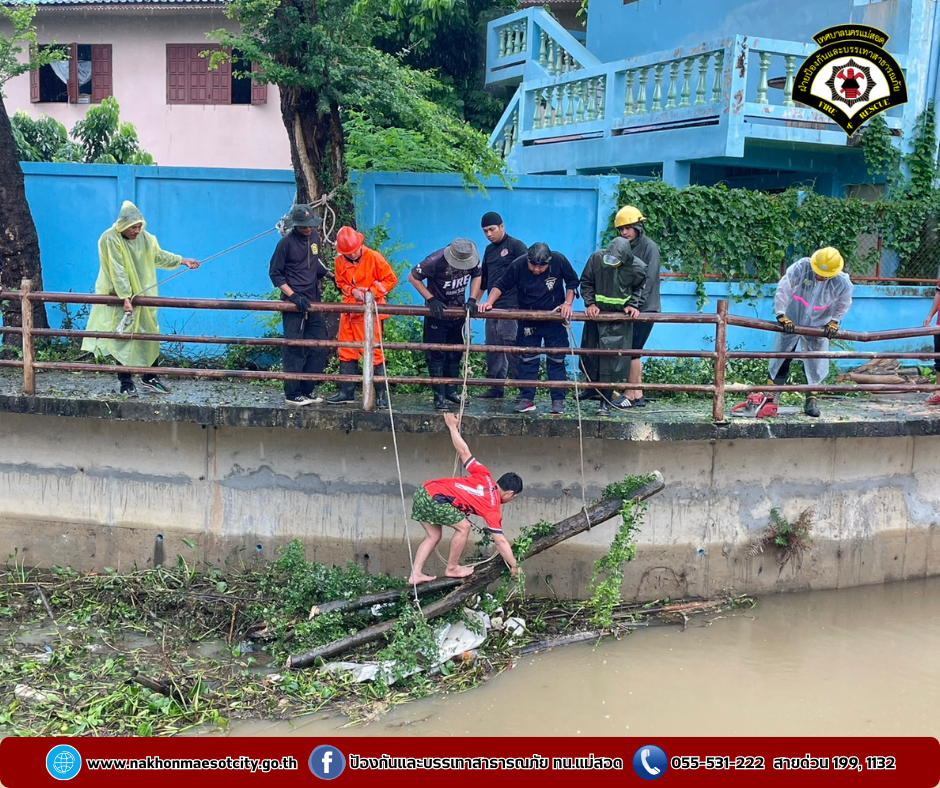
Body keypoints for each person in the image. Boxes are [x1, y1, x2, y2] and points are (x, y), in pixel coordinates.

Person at [82, 201, 200, 397]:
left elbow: (158, 256)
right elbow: (117, 269)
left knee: (149, 334)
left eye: (139, 226)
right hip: (118, 296)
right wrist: (125, 297)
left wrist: (182, 260)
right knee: (123, 338)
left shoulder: (145, 238)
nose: (137, 231)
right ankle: (126, 383)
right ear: (123, 225)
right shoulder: (109, 239)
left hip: (143, 294)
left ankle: (150, 377)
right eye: (133, 227)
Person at [408, 412, 523, 583]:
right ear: (510, 493)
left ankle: (415, 574)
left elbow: (463, 451)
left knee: (433, 536)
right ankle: (452, 568)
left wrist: (452, 427)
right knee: (464, 527)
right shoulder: (492, 509)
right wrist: (514, 565)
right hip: (434, 498)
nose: (511, 500)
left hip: (423, 490)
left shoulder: (484, 474)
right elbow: (500, 542)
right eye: (513, 498)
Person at [479, 242, 580, 415]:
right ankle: (527, 399)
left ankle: (558, 401)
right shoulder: (518, 264)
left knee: (556, 359)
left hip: (554, 319)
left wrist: (567, 303)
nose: (536, 270)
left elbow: (572, 281)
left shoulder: (559, 260)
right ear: (527, 260)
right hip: (528, 320)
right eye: (533, 265)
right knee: (527, 359)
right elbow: (501, 285)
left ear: (549, 262)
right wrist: (489, 302)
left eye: (541, 266)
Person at [768, 247, 853, 418]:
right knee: (782, 356)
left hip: (819, 324)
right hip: (792, 318)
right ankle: (770, 397)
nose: (820, 277)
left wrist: (834, 321)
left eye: (825, 275)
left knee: (814, 361)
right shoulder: (802, 267)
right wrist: (781, 314)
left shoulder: (842, 283)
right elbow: (784, 287)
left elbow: (843, 303)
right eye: (818, 273)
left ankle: (811, 400)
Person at [326, 226, 398, 407]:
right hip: (349, 310)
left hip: (370, 311)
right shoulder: (339, 261)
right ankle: (346, 392)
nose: (351, 255)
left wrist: (369, 293)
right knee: (346, 350)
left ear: (360, 244)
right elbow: (340, 282)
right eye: (347, 253)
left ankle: (381, 395)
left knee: (374, 352)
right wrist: (352, 291)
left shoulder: (373, 257)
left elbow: (390, 279)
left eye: (354, 251)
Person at [408, 238, 482, 411]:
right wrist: (430, 299)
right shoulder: (434, 261)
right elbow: (413, 277)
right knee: (436, 354)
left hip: (458, 312)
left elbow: (477, 275)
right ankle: (439, 395)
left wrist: (472, 299)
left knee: (455, 353)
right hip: (438, 313)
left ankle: (451, 390)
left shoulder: (472, 257)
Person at [269, 204, 331, 407]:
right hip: (294, 302)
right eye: (305, 226)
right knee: (294, 347)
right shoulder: (285, 244)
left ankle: (307, 389)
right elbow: (275, 274)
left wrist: (332, 277)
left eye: (311, 225)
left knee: (320, 345)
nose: (308, 229)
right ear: (296, 226)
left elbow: (315, 264)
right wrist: (293, 296)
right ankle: (292, 392)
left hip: (313, 299)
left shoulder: (315, 238)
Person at [579, 236, 648, 416]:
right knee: (589, 355)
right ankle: (591, 388)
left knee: (611, 362)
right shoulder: (596, 259)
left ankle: (605, 402)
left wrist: (633, 305)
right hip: (596, 315)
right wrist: (590, 303)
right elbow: (586, 282)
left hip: (619, 319)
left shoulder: (638, 268)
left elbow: (640, 289)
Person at [471, 212, 527, 400]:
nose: (488, 234)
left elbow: (528, 274)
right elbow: (484, 280)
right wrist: (474, 301)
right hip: (491, 306)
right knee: (492, 348)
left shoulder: (516, 246)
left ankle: (525, 391)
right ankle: (496, 388)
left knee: (512, 348)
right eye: (485, 231)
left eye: (492, 229)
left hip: (512, 306)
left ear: (502, 226)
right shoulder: (489, 250)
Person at [612, 205, 661, 408]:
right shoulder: (626, 247)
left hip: (645, 308)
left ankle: (630, 394)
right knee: (634, 350)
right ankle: (637, 392)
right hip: (631, 307)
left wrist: (636, 305)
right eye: (621, 229)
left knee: (632, 350)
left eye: (628, 228)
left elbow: (649, 279)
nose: (624, 232)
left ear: (638, 227)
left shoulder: (650, 247)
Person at [922, 275, 940, 405]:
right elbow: (938, 295)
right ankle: (938, 393)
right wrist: (930, 315)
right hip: (939, 326)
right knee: (939, 360)